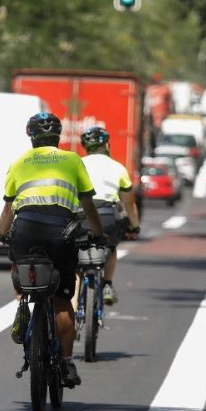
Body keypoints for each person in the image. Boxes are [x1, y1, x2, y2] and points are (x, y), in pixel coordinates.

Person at [0, 112, 105, 388]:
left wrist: (1, 234)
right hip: (60, 234)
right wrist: (98, 233)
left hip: (26, 231)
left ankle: (22, 300)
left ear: (30, 136)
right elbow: (88, 205)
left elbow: (9, 207)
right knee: (61, 300)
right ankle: (67, 361)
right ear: (58, 137)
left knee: (18, 259)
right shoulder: (72, 160)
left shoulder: (19, 162)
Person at [78, 126, 141, 305]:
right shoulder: (118, 167)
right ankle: (107, 284)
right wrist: (134, 226)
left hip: (81, 216)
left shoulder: (78, 164)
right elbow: (128, 202)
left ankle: (75, 297)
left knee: (75, 252)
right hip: (107, 216)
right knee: (111, 247)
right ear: (107, 145)